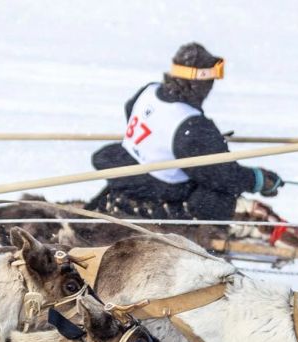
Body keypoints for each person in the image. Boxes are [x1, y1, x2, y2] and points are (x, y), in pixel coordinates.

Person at [83, 43, 281, 223]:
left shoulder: (149, 91)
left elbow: (130, 109)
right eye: (211, 81)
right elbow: (223, 176)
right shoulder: (191, 125)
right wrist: (259, 180)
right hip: (163, 184)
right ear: (199, 82)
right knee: (217, 198)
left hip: (131, 167)